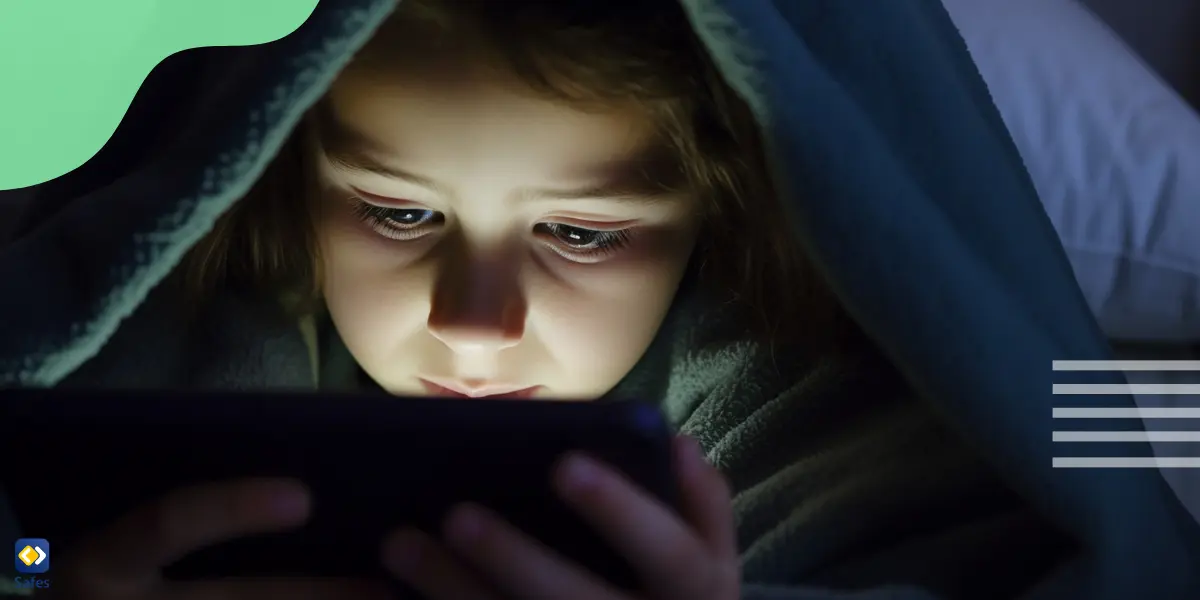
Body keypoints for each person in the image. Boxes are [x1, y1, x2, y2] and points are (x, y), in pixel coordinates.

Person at [39, 1, 1081, 599]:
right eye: (397, 214)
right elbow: (21, 551)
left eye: (582, 233)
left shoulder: (846, 457)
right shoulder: (137, 382)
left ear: (724, 215)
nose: (474, 323)